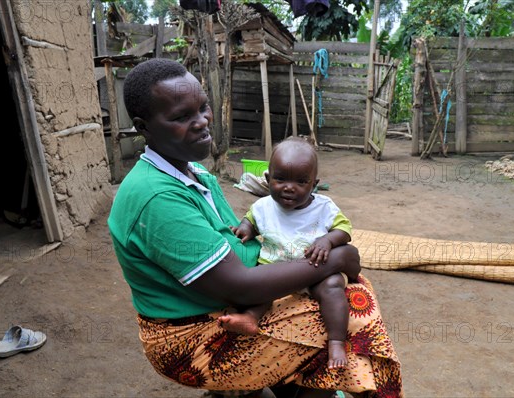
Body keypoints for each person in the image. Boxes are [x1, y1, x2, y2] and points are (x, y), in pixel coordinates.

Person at [108, 58, 402, 398]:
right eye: (180, 117)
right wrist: (337, 259)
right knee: (352, 307)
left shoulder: (194, 173)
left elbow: (233, 241)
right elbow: (241, 287)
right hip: (189, 337)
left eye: (203, 108)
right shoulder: (155, 198)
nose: (202, 122)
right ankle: (306, 384)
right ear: (144, 126)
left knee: (334, 291)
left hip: (216, 302)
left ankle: (286, 382)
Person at [219, 137, 355, 370]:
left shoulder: (323, 207)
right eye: (280, 179)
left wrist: (327, 240)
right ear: (267, 179)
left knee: (333, 286)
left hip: (314, 270)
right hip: (275, 269)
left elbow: (344, 230)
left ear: (314, 184)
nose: (289, 187)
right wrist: (245, 229)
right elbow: (250, 220)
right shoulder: (263, 206)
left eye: (301, 182)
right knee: (257, 286)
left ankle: (336, 341)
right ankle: (251, 317)